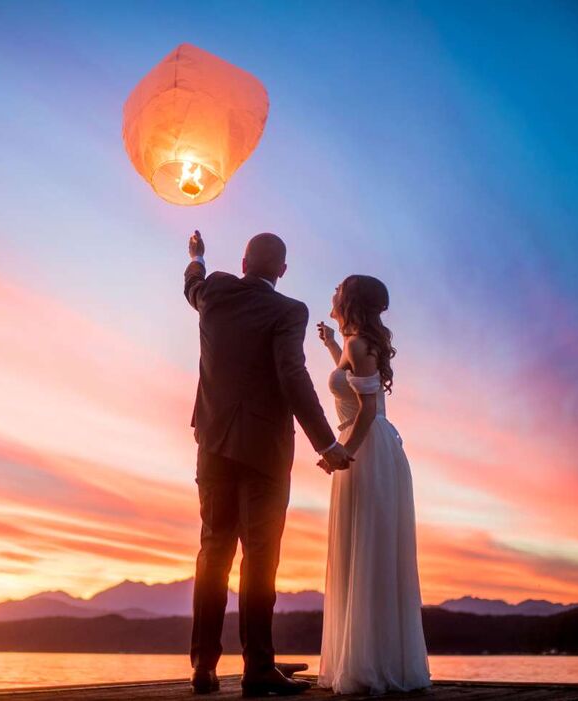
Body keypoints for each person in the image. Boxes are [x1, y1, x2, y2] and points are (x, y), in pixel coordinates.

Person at [183, 230, 351, 696]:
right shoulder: (288, 310)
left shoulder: (213, 289)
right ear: (281, 270)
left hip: (213, 443)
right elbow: (291, 375)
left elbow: (191, 284)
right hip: (264, 453)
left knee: (212, 552)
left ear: (242, 261)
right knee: (260, 559)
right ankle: (258, 668)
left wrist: (196, 256)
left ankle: (204, 669)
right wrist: (324, 442)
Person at [315, 275, 431, 694]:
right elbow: (350, 384)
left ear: (348, 300)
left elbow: (364, 409)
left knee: (367, 550)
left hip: (365, 449)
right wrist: (331, 345)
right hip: (370, 445)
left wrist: (344, 453)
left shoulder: (359, 344)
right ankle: (368, 656)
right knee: (362, 550)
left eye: (336, 290)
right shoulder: (356, 345)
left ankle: (369, 666)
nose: (330, 295)